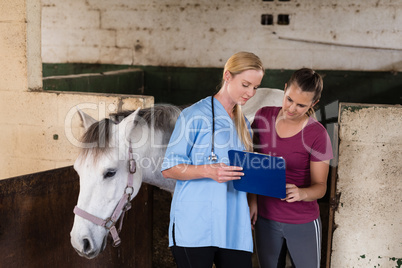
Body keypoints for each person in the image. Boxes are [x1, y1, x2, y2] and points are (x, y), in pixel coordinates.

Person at [161, 51, 265, 268]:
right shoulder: (194, 116)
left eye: (255, 87)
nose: (251, 93)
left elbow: (246, 167)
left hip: (234, 225)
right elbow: (169, 168)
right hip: (196, 224)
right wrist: (208, 171)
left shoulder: (244, 123)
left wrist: (252, 199)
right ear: (227, 76)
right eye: (245, 85)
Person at [249, 68, 333, 268]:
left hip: (302, 220)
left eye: (301, 105)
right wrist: (252, 200)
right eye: (289, 99)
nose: (292, 108)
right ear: (285, 89)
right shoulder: (263, 117)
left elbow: (320, 187)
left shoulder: (318, 135)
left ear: (313, 104)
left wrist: (302, 193)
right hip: (265, 216)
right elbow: (253, 163)